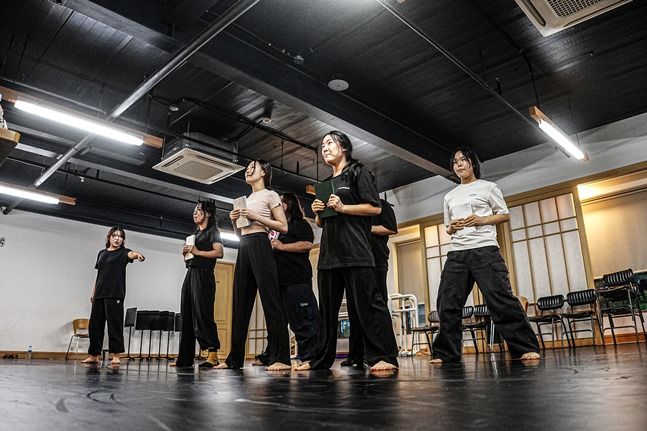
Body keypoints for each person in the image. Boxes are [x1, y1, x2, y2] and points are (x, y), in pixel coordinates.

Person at [296, 131, 399, 372]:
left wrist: (343, 207)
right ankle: (320, 360)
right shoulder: (326, 183)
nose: (324, 147)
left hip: (356, 250)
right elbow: (322, 223)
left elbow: (374, 208)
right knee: (327, 310)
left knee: (369, 304)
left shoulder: (357, 172)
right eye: (322, 145)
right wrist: (318, 213)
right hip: (329, 253)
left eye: (329, 143)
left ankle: (383, 356)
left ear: (344, 147)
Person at [430, 147, 541, 363]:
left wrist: (481, 220)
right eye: (455, 162)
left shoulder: (488, 188)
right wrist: (452, 227)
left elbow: (504, 215)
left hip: (485, 249)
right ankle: (446, 353)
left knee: (500, 299)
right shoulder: (449, 196)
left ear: (472, 163)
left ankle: (525, 347)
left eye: (463, 160)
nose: (459, 164)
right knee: (447, 302)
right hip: (457, 252)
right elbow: (448, 227)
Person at [215, 160, 291, 371]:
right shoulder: (246, 200)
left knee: (270, 300)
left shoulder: (270, 195)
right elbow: (241, 233)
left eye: (252, 167)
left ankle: (281, 357)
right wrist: (234, 221)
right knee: (240, 302)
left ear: (264, 172)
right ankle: (234, 359)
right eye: (247, 169)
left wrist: (255, 216)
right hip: (245, 245)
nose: (248, 170)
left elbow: (283, 226)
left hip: (260, 243)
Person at [342, 198, 398, 368]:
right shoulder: (351, 207)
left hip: (376, 260)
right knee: (354, 308)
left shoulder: (381, 205)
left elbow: (390, 228)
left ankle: (382, 353)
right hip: (355, 260)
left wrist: (365, 228)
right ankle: (356, 355)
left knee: (376, 304)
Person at [171, 200, 224, 368]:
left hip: (204, 274)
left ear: (208, 213)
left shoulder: (213, 232)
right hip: (191, 273)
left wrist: (198, 252)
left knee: (203, 313)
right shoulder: (194, 234)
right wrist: (185, 254)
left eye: (198, 210)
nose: (195, 213)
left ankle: (213, 355)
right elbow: (191, 257)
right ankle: (185, 358)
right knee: (186, 314)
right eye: (194, 210)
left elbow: (219, 252)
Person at [270, 192, 321, 365]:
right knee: (279, 321)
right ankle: (273, 355)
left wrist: (282, 247)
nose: (277, 206)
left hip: (297, 279)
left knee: (304, 319)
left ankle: (310, 357)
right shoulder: (276, 228)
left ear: (289, 204)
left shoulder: (299, 223)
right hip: (279, 281)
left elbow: (307, 244)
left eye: (281, 202)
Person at [82, 227, 145, 366]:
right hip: (99, 294)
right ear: (109, 237)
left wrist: (138, 255)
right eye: (114, 236)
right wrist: (93, 293)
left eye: (120, 236)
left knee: (114, 325)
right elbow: (99, 275)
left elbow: (132, 254)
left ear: (123, 239)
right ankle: (94, 355)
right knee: (95, 326)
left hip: (115, 293)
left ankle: (116, 355)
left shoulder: (124, 253)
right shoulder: (101, 253)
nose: (117, 238)